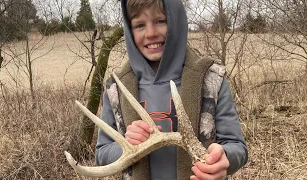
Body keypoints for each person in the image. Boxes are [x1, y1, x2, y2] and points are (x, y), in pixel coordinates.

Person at [95, 0, 248, 179]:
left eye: (160, 21)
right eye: (140, 25)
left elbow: (237, 146)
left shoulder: (211, 79)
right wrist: (125, 145)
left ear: (176, 21)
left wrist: (224, 159)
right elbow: (102, 153)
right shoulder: (117, 88)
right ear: (129, 30)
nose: (151, 33)